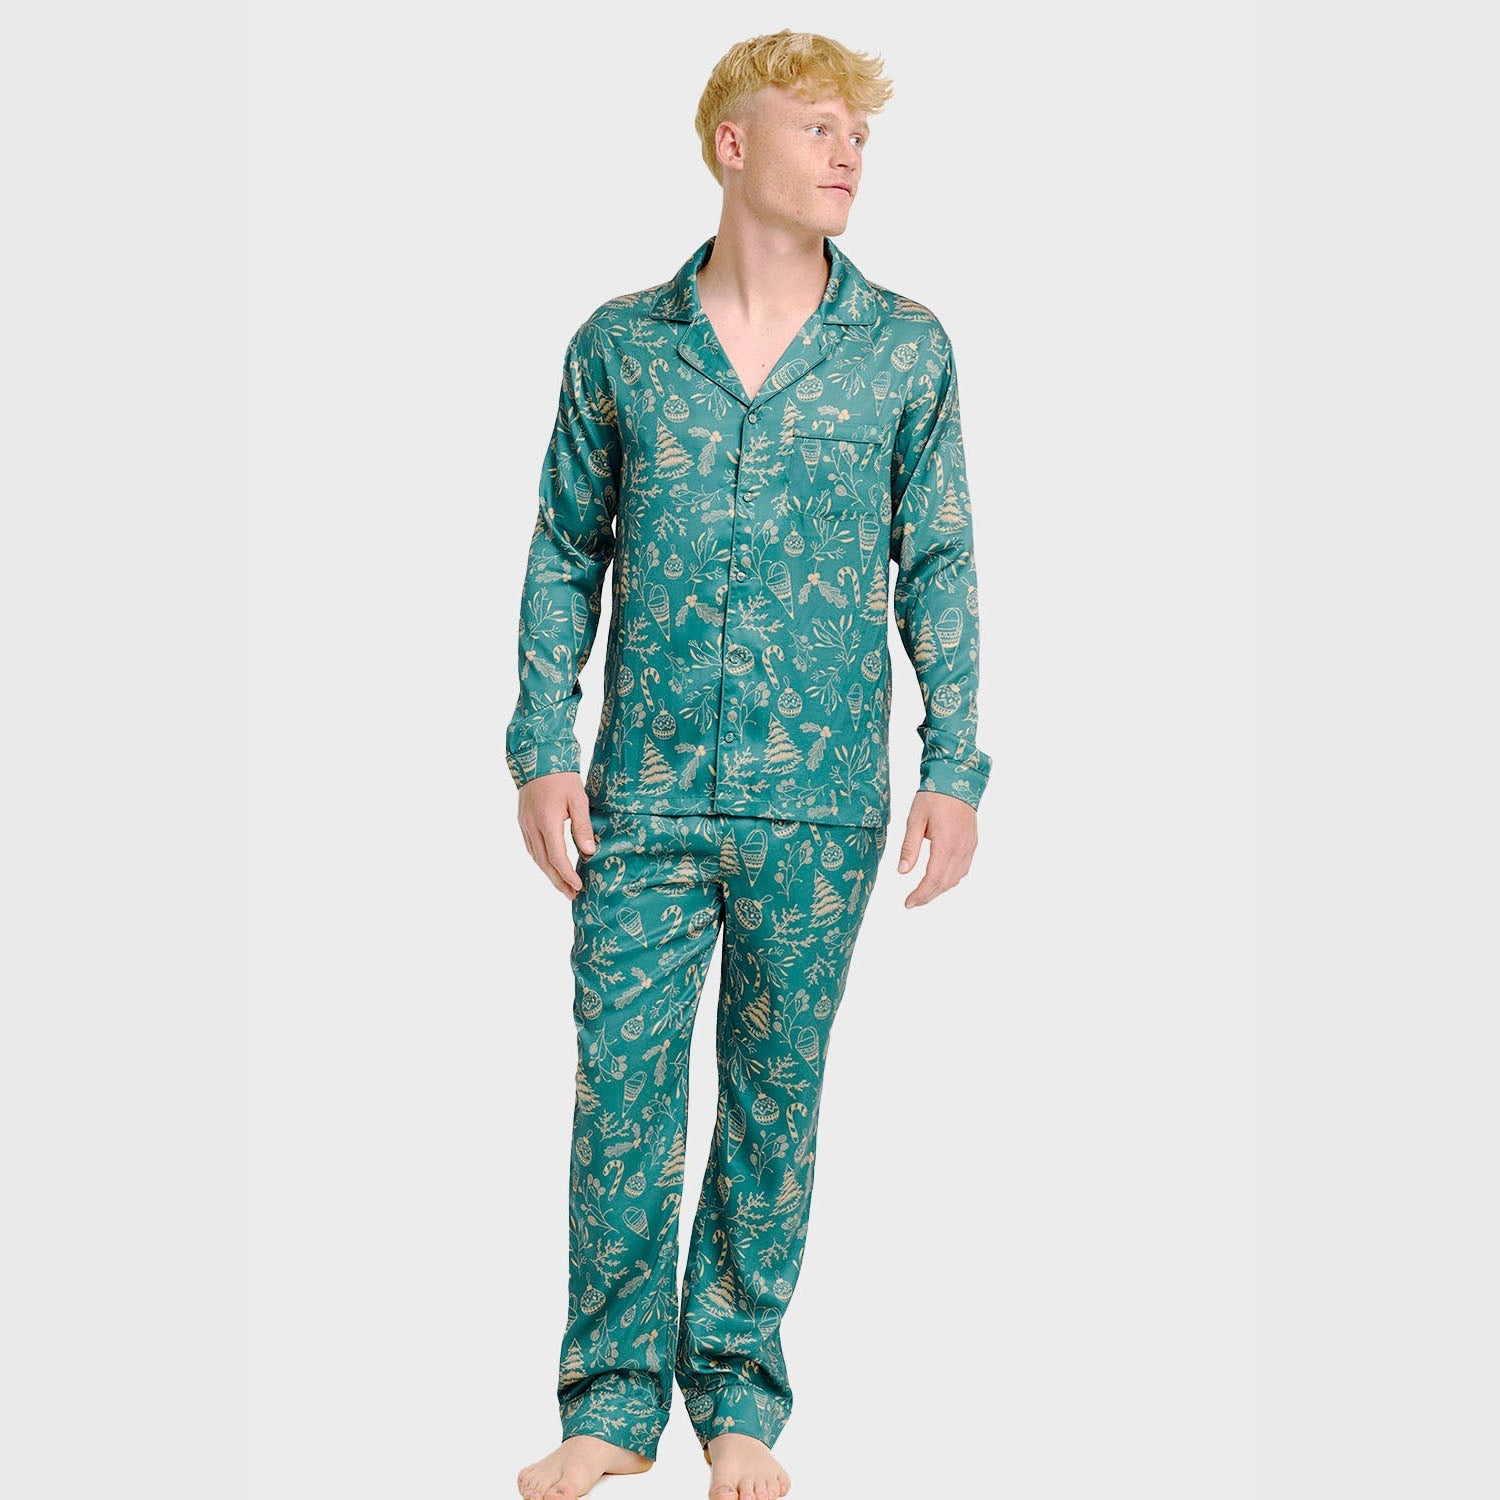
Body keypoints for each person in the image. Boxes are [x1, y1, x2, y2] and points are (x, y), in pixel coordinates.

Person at [511, 29, 993, 1500]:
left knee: (775, 1101)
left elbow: (941, 561)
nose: (849, 154)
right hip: (642, 797)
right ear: (735, 144)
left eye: (862, 134)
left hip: (822, 801)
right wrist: (539, 746)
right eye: (820, 127)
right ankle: (609, 1405)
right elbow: (563, 554)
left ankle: (737, 1399)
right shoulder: (620, 346)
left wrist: (955, 763)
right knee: (622, 1099)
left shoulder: (906, 348)